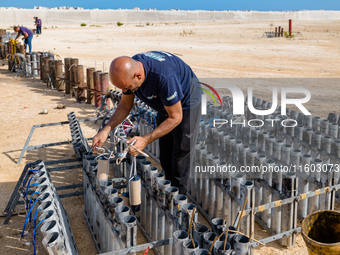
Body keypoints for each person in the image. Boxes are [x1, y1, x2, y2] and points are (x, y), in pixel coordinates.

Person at [92, 51, 202, 194]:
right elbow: (125, 105)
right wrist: (105, 130)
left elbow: (175, 117)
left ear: (138, 76)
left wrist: (145, 139)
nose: (125, 91)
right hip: (165, 104)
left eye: (127, 87)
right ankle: (167, 184)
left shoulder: (164, 77)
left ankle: (178, 199)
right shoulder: (132, 71)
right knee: (166, 149)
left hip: (187, 104)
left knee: (181, 152)